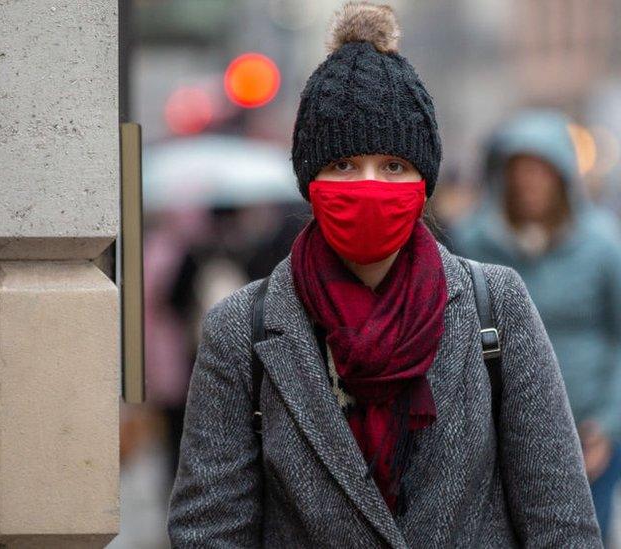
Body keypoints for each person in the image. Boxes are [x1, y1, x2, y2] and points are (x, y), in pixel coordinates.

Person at [166, 3, 601, 547]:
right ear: (309, 178)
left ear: (424, 180)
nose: (369, 184)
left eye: (393, 166)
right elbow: (209, 531)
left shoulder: (496, 307)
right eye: (344, 165)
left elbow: (559, 520)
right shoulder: (241, 330)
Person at [452, 109, 621, 543]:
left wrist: (608, 422)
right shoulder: (473, 243)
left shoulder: (601, 245)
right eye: (519, 170)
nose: (529, 182)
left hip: (587, 433)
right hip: (498, 429)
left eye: (540, 170)